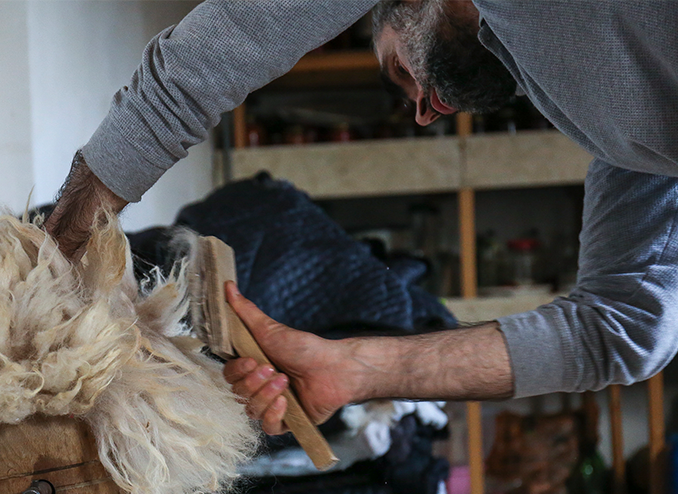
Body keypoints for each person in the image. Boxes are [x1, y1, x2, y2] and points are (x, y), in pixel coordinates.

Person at [45, 0, 678, 436]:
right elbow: (625, 327)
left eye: (399, 69)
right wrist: (358, 370)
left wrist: (48, 264)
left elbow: (206, 63)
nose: (425, 116)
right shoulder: (624, 138)